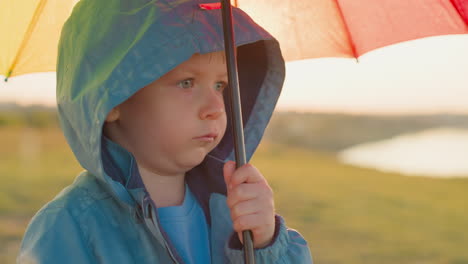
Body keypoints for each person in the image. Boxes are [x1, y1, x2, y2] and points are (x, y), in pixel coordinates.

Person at [18, 0, 312, 263]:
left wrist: (265, 244)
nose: (215, 107)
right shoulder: (70, 227)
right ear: (111, 99)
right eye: (186, 83)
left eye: (220, 86)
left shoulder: (233, 211)